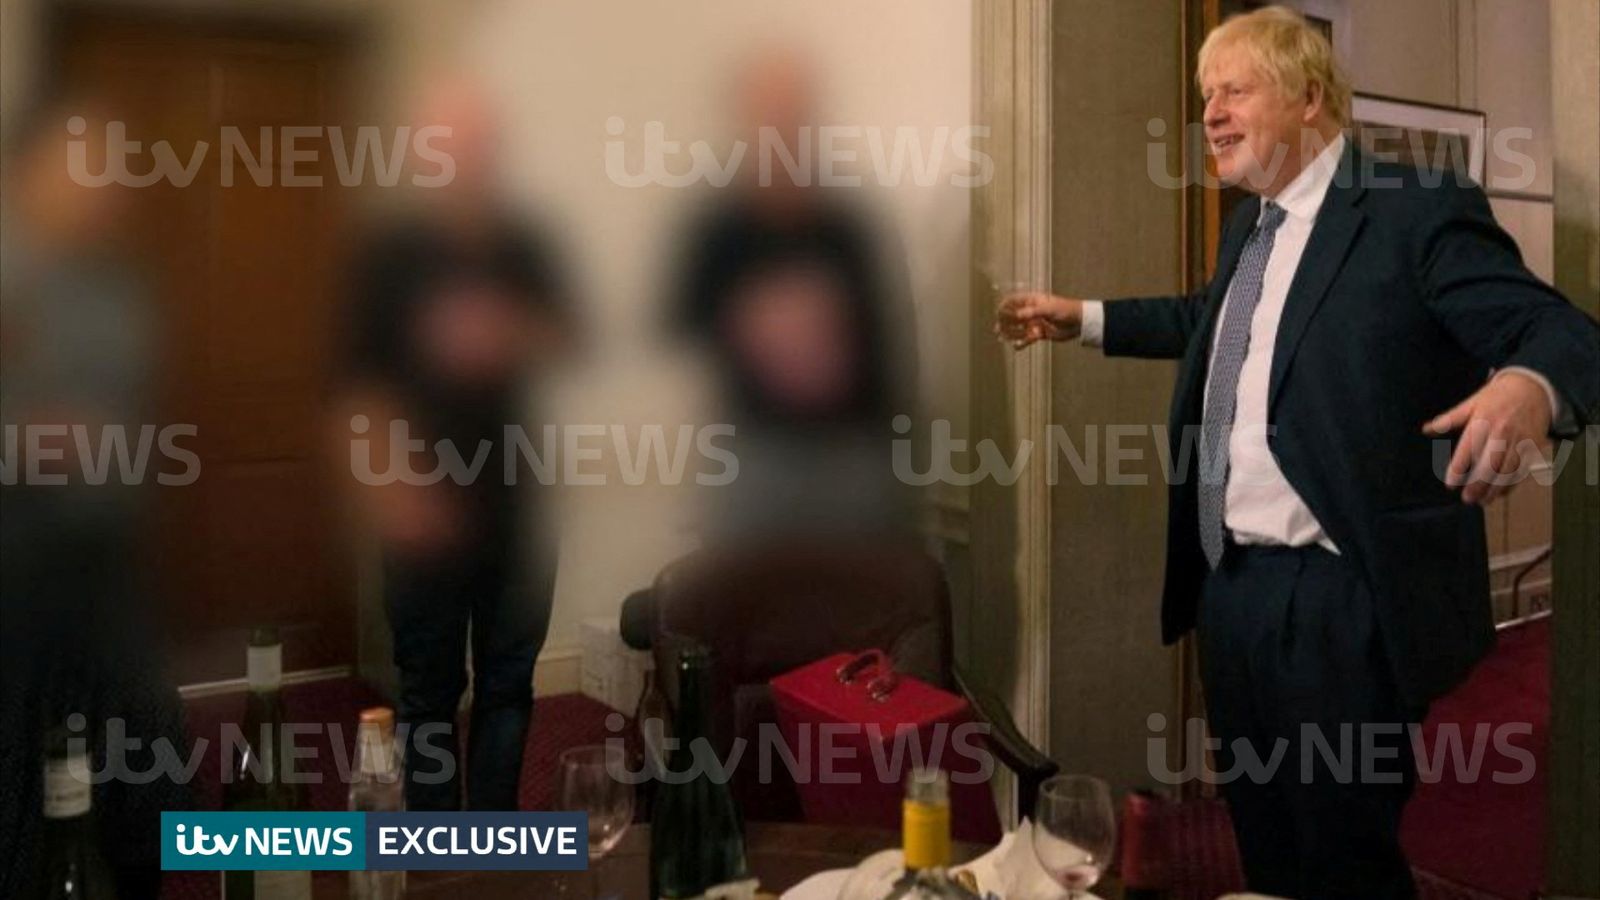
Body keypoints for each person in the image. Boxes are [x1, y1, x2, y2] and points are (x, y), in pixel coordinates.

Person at [996, 6, 1599, 899]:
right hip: (1230, 588)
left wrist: (1527, 387)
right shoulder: (1250, 226)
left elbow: (1561, 332)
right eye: (1206, 96)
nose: (1209, 113)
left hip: (1342, 600)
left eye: (1233, 89)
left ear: (1310, 96)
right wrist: (1079, 318)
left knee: (1343, 858)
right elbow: (1207, 322)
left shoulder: (1411, 209)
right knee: (1265, 840)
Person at [337, 81, 573, 811]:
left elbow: (567, 339)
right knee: (429, 696)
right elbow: (352, 389)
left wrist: (508, 329)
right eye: (448, 144)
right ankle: (441, 858)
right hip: (421, 510)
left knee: (508, 687)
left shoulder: (525, 242)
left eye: (477, 142)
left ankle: (494, 849)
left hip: (518, 503)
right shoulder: (388, 255)